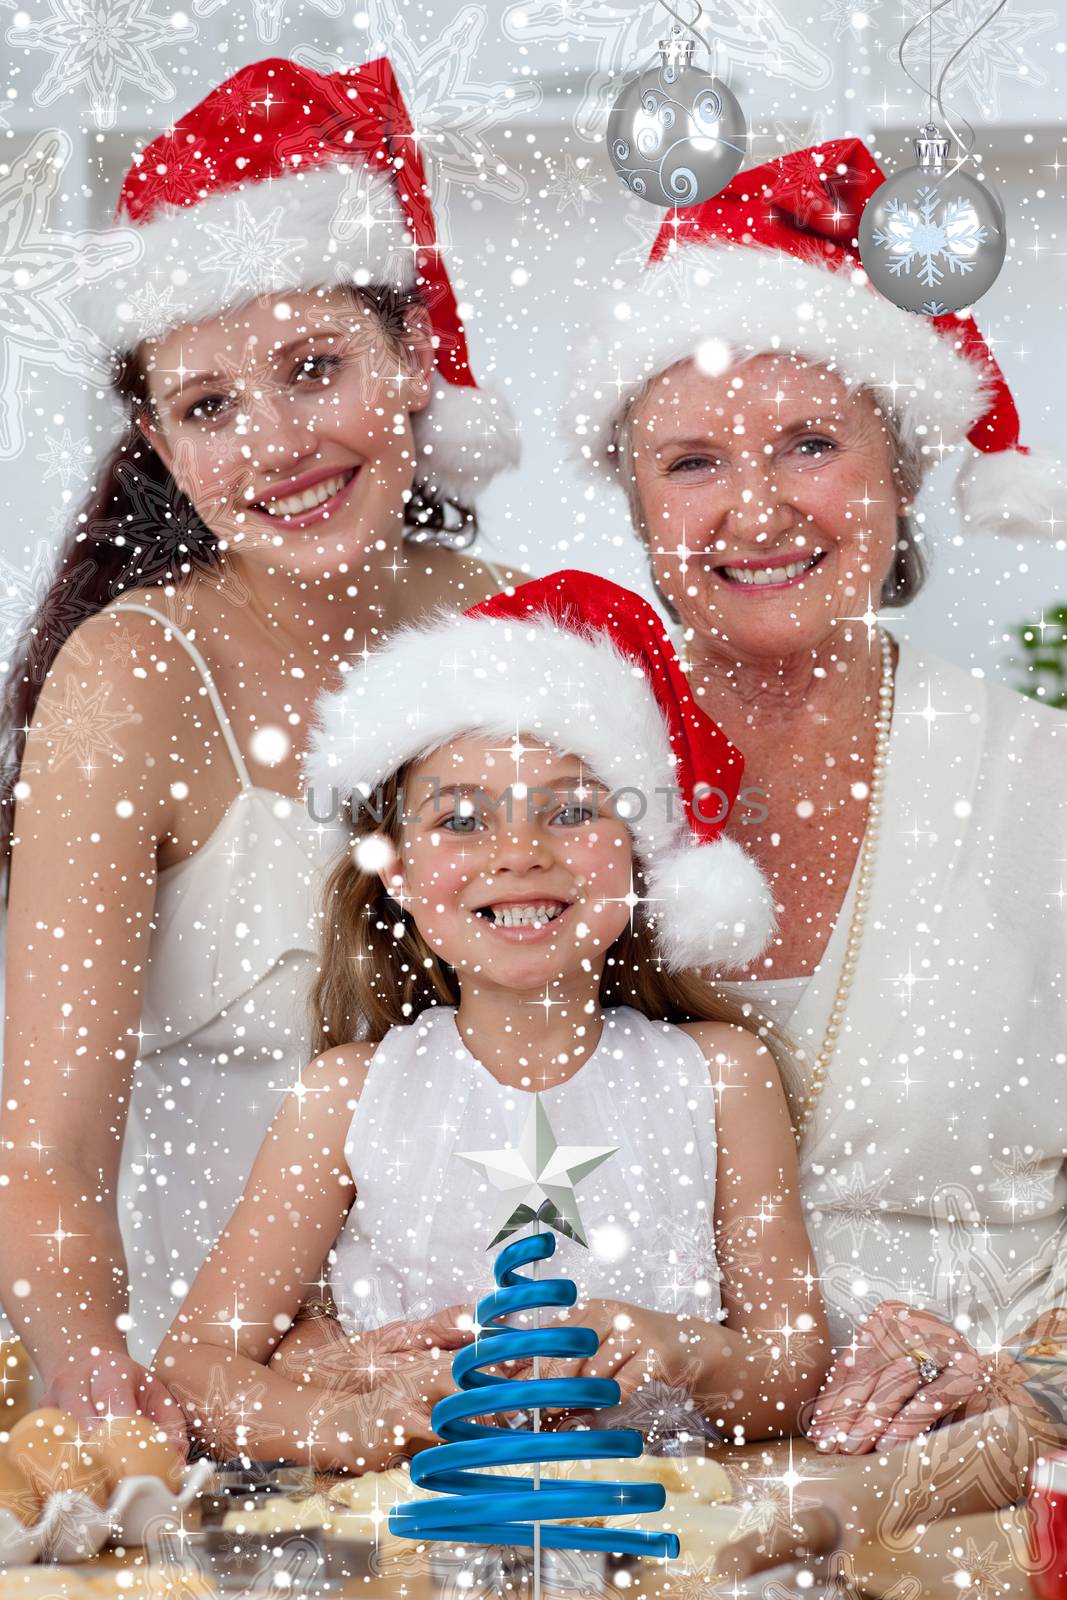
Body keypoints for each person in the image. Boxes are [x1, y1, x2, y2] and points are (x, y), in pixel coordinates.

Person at [0, 54, 524, 1447]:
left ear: (413, 362)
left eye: (312, 369)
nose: (275, 445)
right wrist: (107, 1381)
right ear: (159, 444)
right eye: (209, 406)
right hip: (206, 1380)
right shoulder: (131, 681)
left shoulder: (503, 628)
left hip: (462, 1376)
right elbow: (44, 1157)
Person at [560, 139, 1067, 1451]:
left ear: (899, 474)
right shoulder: (545, 782)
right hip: (603, 1500)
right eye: (689, 462)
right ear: (629, 498)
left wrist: (1019, 1376)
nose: (754, 509)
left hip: (969, 1504)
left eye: (806, 443)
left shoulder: (1039, 786)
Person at [152, 569, 830, 1471]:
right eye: (461, 820)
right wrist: (354, 1424)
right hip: (415, 1537)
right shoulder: (349, 1095)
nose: (518, 854)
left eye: (571, 811)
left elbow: (792, 1371)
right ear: (395, 872)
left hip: (669, 1533)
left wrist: (685, 1352)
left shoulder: (719, 1075)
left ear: (641, 852)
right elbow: (195, 1365)